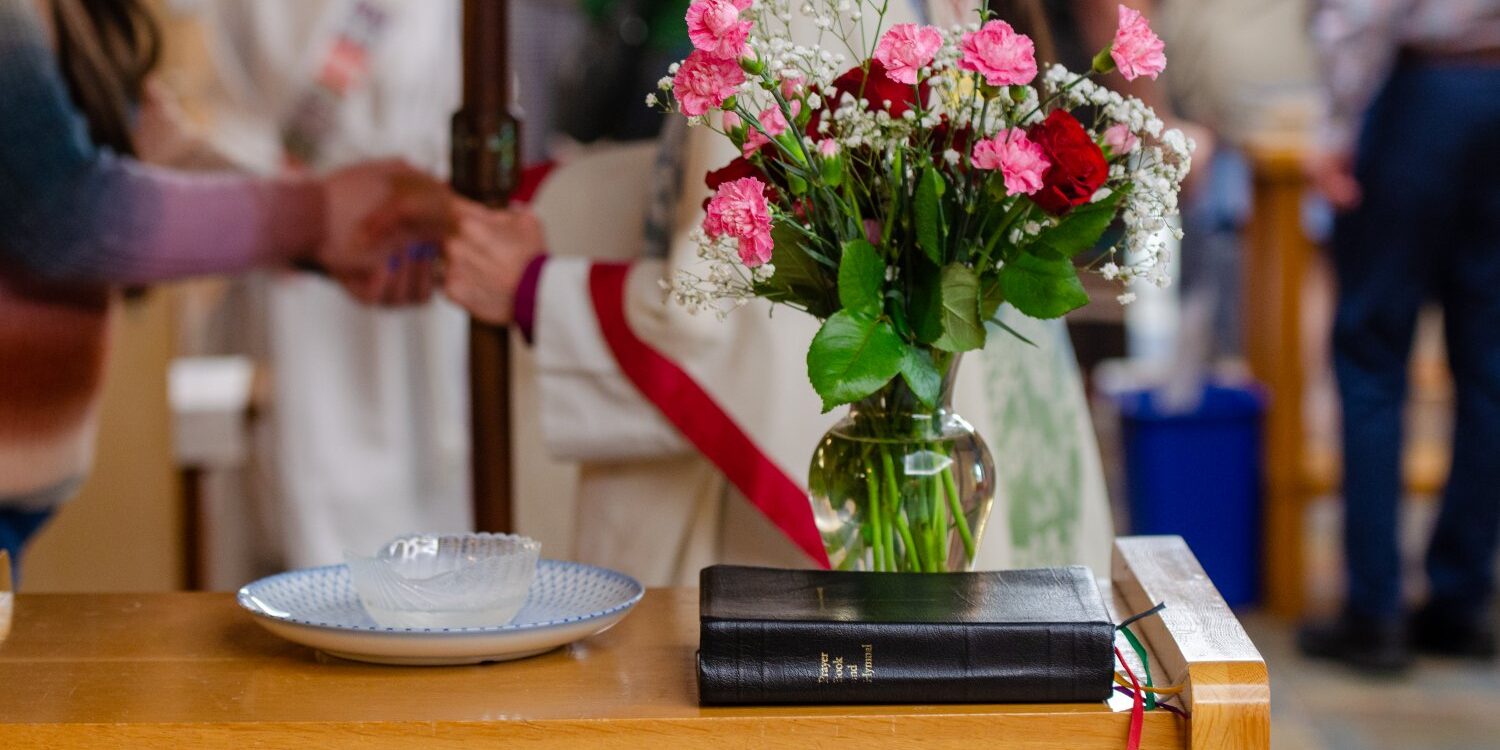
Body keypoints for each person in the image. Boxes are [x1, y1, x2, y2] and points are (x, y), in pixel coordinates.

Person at [441, 0, 1117, 586]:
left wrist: (536, 288)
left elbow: (727, 312)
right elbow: (714, 187)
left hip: (823, 548)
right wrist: (539, 200)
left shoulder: (790, 13)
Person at [0, 0, 448, 566]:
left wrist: (336, 235)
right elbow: (65, 211)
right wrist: (319, 215)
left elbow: (152, 152)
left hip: (24, 494)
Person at [1299, 0, 1500, 672]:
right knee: (1490, 367)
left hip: (1423, 96)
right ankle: (1459, 601)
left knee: (1371, 353)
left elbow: (1364, 10)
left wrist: (1335, 125)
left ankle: (1375, 611)